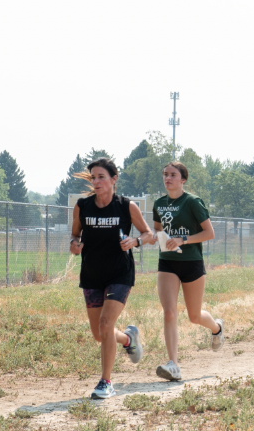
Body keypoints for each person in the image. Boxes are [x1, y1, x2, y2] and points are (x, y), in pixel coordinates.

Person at [69, 158, 154, 399]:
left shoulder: (127, 206)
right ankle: (128, 338)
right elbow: (74, 236)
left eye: (101, 177)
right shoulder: (82, 206)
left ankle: (106, 382)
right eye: (93, 178)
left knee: (106, 324)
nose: (96, 182)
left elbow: (149, 234)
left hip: (120, 273)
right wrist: (75, 245)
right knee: (99, 333)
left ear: (113, 179)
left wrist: (135, 241)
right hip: (92, 273)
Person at [152, 162, 224, 382]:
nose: (168, 178)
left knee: (194, 316)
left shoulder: (192, 202)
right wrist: (160, 238)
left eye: (173, 175)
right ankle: (173, 365)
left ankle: (217, 328)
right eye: (165, 174)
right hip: (168, 262)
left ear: (183, 179)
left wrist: (183, 239)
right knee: (169, 312)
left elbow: (209, 233)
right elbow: (157, 229)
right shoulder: (159, 203)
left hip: (192, 261)